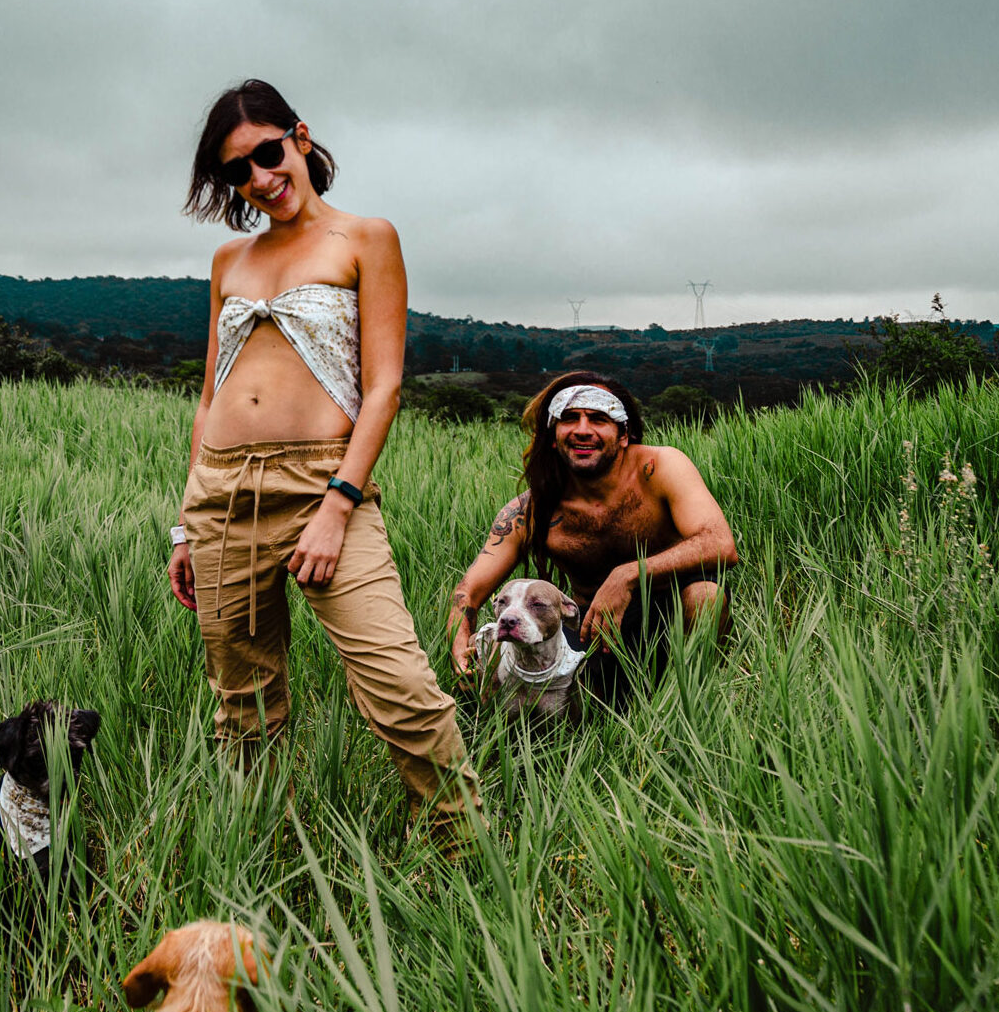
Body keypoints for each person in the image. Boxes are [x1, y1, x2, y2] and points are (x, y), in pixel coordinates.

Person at [166, 79, 480, 840]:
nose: (260, 179)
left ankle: (465, 850)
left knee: (398, 683)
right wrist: (185, 521)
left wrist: (339, 505)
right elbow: (209, 397)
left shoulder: (366, 238)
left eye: (267, 154)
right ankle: (254, 857)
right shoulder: (227, 261)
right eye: (237, 170)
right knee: (242, 702)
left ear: (300, 138)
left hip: (321, 484)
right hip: (222, 494)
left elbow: (385, 388)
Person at [450, 371, 738, 706]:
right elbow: (468, 591)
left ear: (623, 434)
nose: (583, 430)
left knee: (705, 593)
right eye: (570, 418)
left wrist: (627, 576)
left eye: (599, 418)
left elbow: (720, 544)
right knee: (590, 712)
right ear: (554, 436)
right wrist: (459, 645)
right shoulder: (531, 510)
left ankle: (698, 702)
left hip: (669, 618)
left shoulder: (659, 467)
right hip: (592, 631)